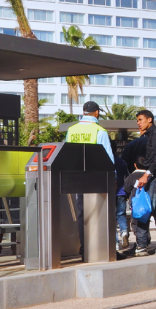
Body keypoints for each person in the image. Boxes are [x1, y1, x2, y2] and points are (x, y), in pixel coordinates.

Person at [65, 101, 114, 258]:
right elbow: (108, 158)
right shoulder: (99, 130)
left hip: (77, 178)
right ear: (96, 113)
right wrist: (114, 178)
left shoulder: (72, 130)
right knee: (99, 213)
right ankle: (99, 248)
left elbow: (67, 154)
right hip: (96, 179)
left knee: (82, 213)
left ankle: (84, 248)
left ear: (84, 112)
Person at [133, 110, 156, 255]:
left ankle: (141, 246)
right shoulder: (153, 134)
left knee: (144, 211)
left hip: (155, 176)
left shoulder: (154, 135)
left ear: (150, 120)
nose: (138, 123)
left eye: (141, 119)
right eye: (137, 120)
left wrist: (147, 174)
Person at [112, 140, 130, 251]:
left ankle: (116, 242)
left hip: (111, 192)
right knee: (121, 214)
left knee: (111, 217)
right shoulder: (122, 162)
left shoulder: (106, 161)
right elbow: (126, 176)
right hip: (122, 192)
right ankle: (124, 232)